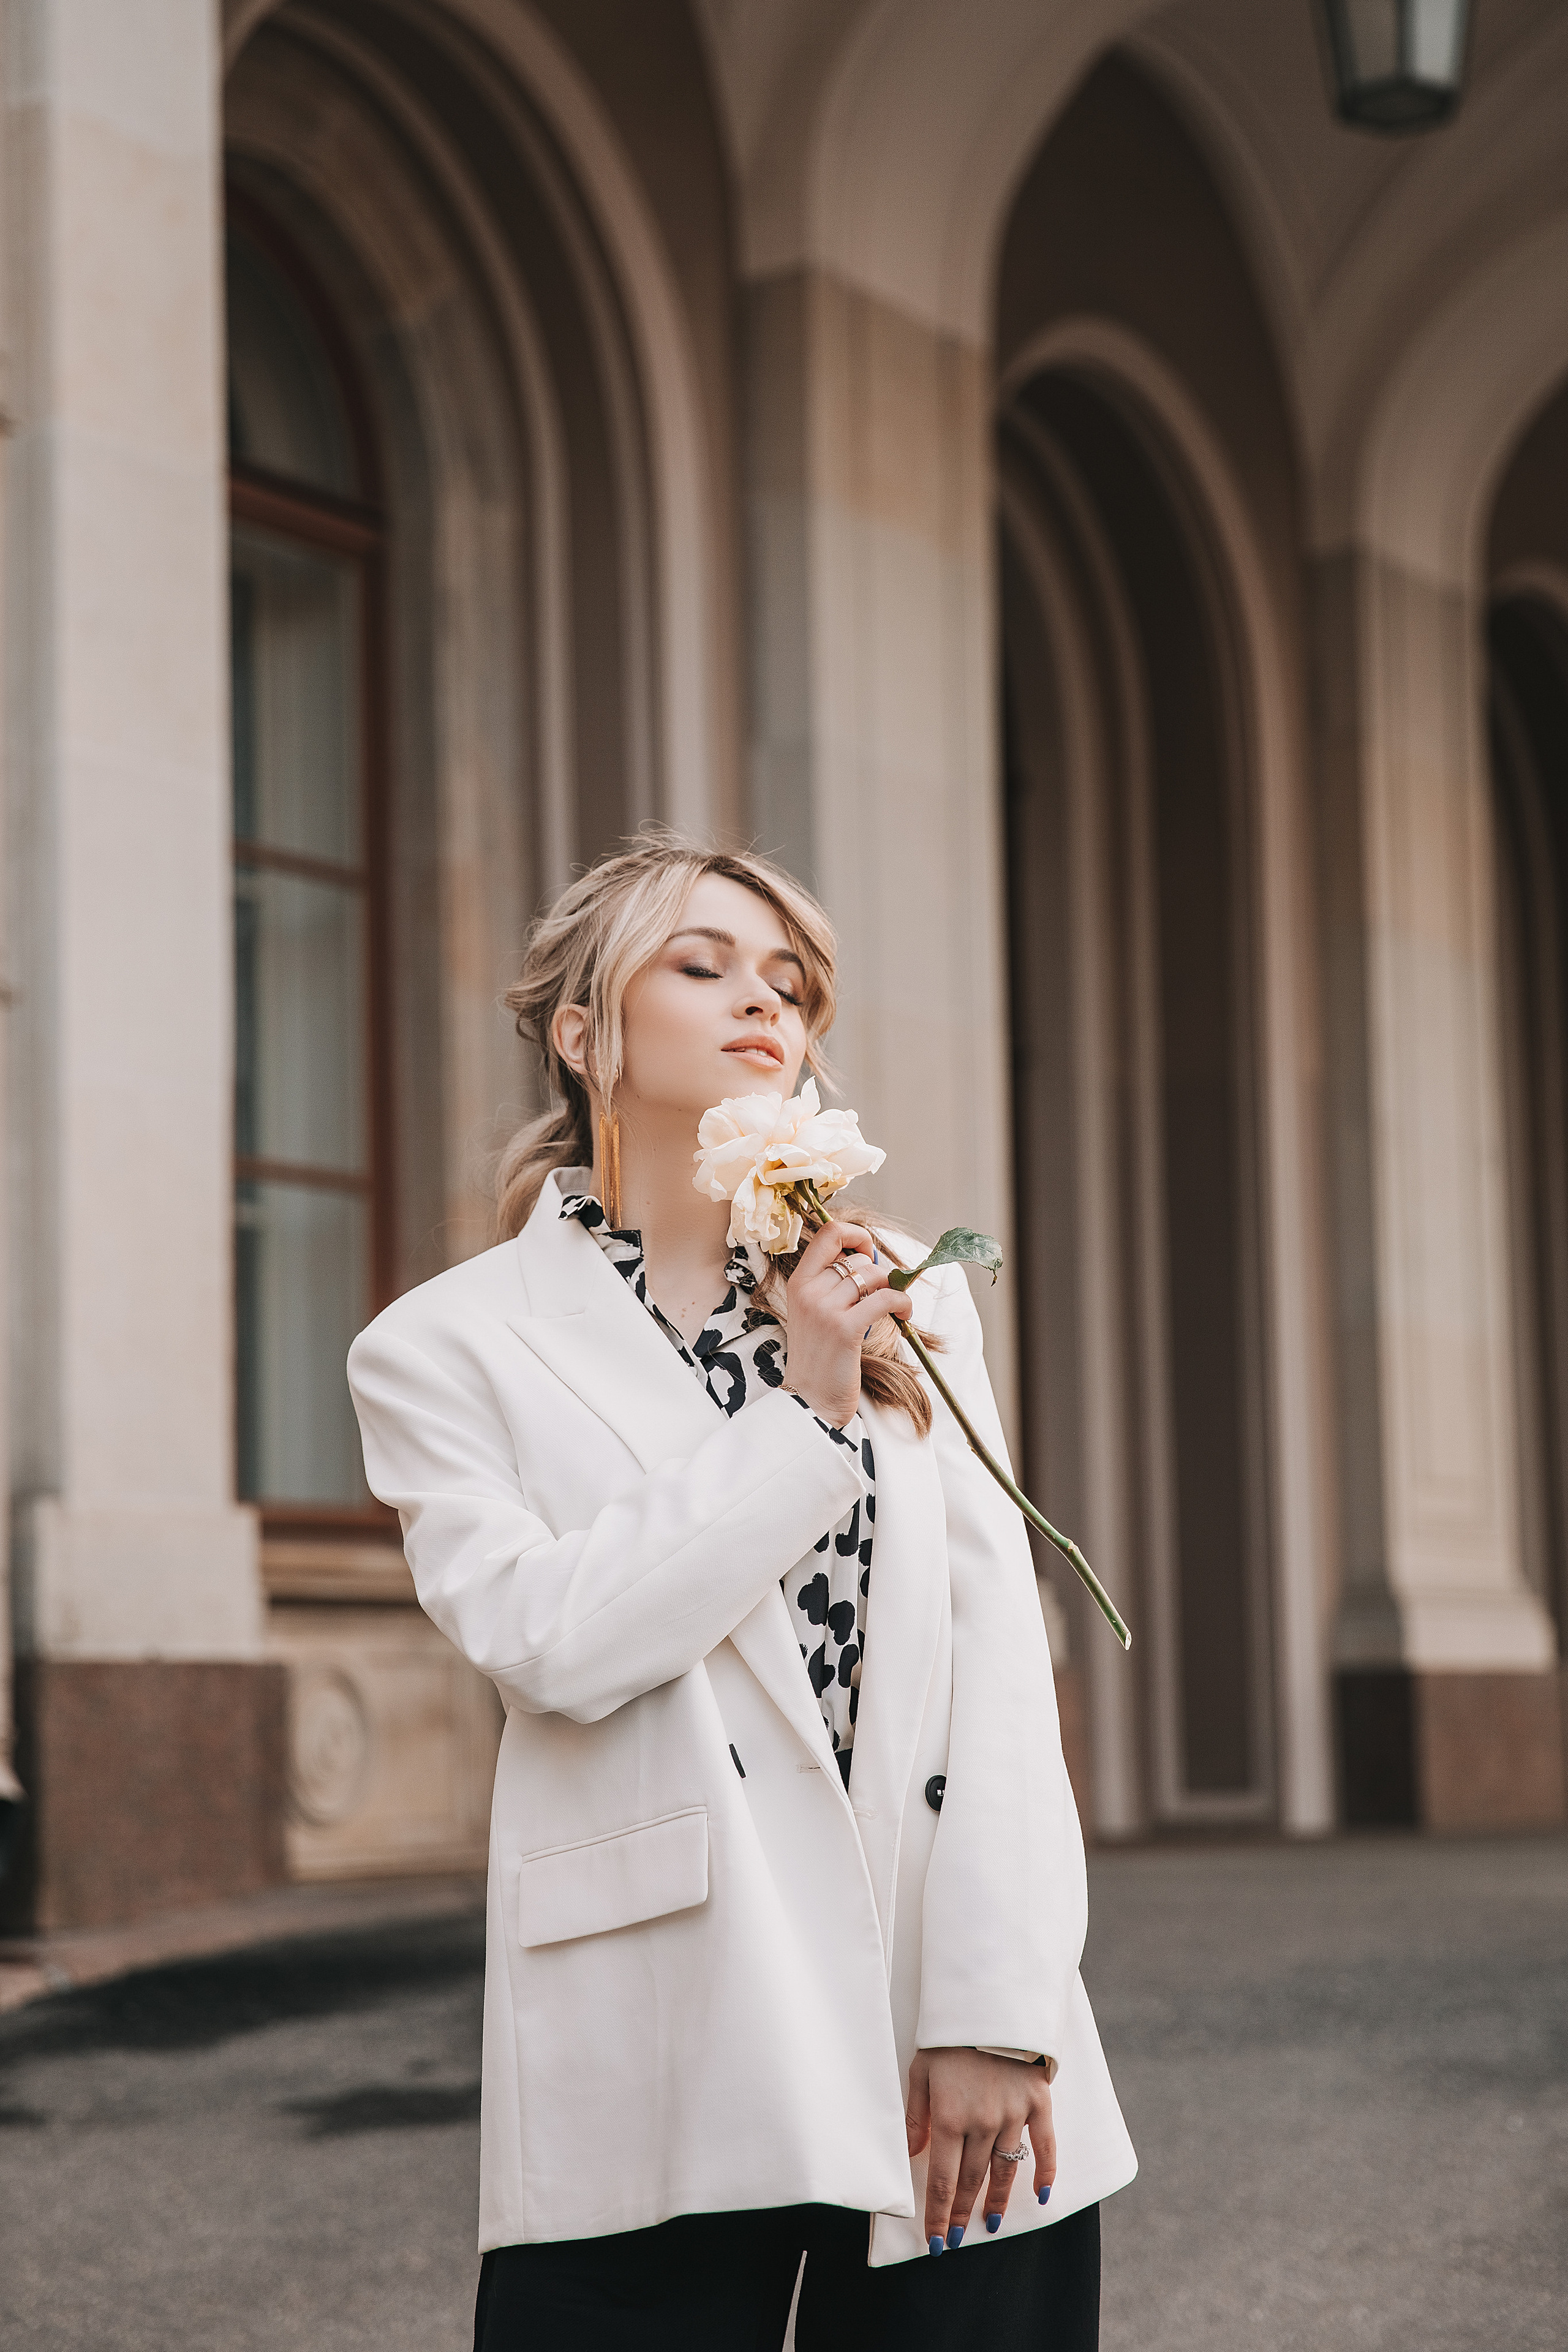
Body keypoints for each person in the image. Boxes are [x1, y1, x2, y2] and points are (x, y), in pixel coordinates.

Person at [347, 834, 1136, 2350]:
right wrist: (807, 1412)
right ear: (583, 1035)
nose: (758, 1003)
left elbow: (994, 1660)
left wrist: (995, 2005)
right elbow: (549, 1640)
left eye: (788, 980)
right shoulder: (445, 1348)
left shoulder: (899, 1282)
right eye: (698, 966)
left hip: (934, 1989)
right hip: (666, 2005)